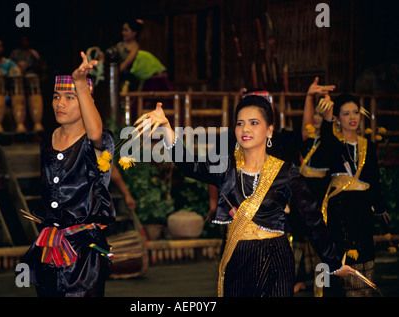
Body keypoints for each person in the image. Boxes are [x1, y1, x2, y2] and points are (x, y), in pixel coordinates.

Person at [144, 97, 355, 297]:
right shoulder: (226, 166)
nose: (245, 129)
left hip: (277, 259)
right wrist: (166, 128)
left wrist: (333, 263)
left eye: (254, 123)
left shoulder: (285, 172)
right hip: (238, 257)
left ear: (269, 130)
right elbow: (190, 166)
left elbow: (313, 220)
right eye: (240, 123)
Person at [19, 52, 115, 297]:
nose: (60, 103)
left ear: (86, 102)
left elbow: (95, 133)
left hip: (83, 252)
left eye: (70, 97)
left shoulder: (98, 141)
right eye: (56, 97)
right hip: (50, 244)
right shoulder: (48, 141)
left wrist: (80, 82)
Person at [320, 93, 391, 297]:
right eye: (345, 113)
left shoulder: (368, 144)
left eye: (355, 112)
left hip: (362, 209)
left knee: (365, 254)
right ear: (337, 118)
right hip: (340, 209)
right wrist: (326, 120)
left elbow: (374, 180)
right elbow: (325, 141)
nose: (352, 117)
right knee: (339, 256)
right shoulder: (333, 143)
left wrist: (380, 208)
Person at [290, 78, 335, 293]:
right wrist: (309, 97)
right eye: (316, 114)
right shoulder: (309, 141)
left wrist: (329, 117)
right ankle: (296, 278)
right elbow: (306, 130)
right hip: (302, 196)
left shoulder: (331, 143)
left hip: (320, 196)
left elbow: (326, 136)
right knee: (297, 238)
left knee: (320, 239)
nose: (316, 119)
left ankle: (323, 282)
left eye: (322, 115)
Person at [116, 19, 173, 92]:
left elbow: (127, 63)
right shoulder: (119, 45)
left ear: (134, 32)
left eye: (126, 30)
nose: (123, 33)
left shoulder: (135, 48)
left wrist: (114, 73)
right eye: (123, 30)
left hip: (129, 78)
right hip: (119, 76)